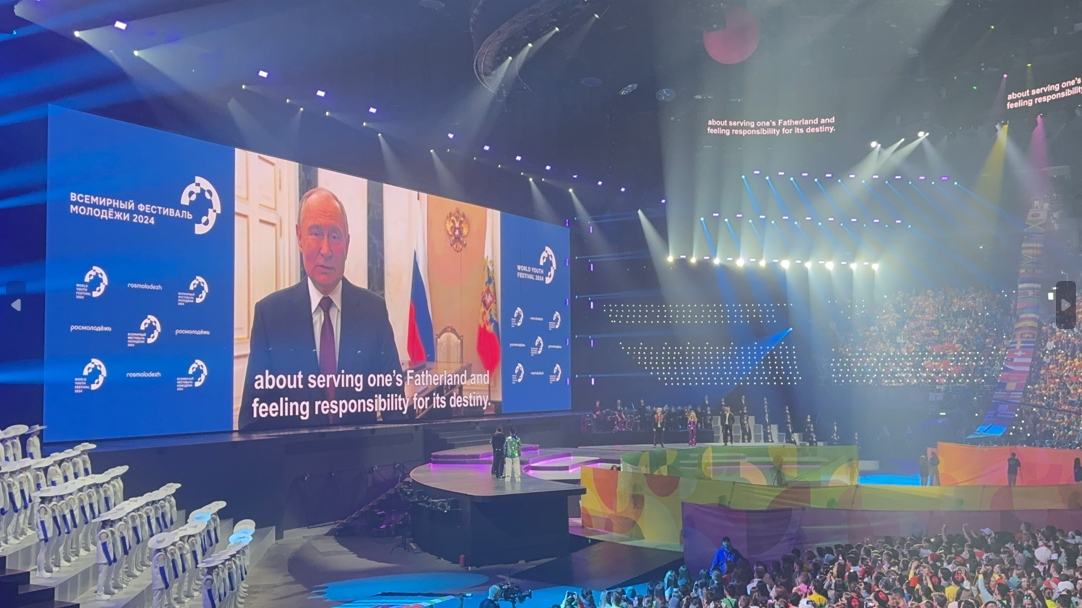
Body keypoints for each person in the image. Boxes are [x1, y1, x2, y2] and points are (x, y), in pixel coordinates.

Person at [239, 188, 403, 431]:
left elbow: (396, 409)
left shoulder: (374, 312)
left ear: (347, 244)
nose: (326, 250)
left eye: (335, 236)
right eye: (315, 233)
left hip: (358, 456)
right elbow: (252, 422)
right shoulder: (270, 316)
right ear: (299, 237)